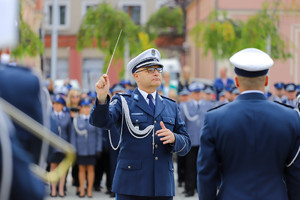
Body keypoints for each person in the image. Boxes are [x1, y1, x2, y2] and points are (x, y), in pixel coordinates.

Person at [197, 48, 300, 200]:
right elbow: (296, 173)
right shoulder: (290, 117)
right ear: (266, 81)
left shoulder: (214, 119)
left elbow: (206, 174)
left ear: (236, 81)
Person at [90, 48, 191, 200]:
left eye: (158, 69)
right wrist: (102, 98)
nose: (156, 73)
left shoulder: (171, 105)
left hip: (162, 187)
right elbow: (100, 121)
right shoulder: (123, 102)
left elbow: (186, 144)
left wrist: (175, 139)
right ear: (136, 75)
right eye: (150, 70)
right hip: (131, 186)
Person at [71, 98, 102, 198]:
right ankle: (82, 190)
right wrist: (74, 149)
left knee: (91, 169)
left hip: (91, 149)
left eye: (88, 107)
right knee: (81, 169)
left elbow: (99, 135)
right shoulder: (76, 120)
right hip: (80, 149)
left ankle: (89, 190)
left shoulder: (94, 119)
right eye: (84, 107)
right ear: (80, 108)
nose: (86, 109)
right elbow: (73, 136)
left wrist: (98, 148)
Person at [179, 81, 204, 197]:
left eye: (199, 92)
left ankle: (200, 188)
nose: (198, 95)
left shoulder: (207, 105)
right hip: (191, 141)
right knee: (190, 167)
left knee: (202, 167)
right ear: (192, 94)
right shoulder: (186, 106)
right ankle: (189, 188)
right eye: (195, 92)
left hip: (203, 141)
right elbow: (182, 124)